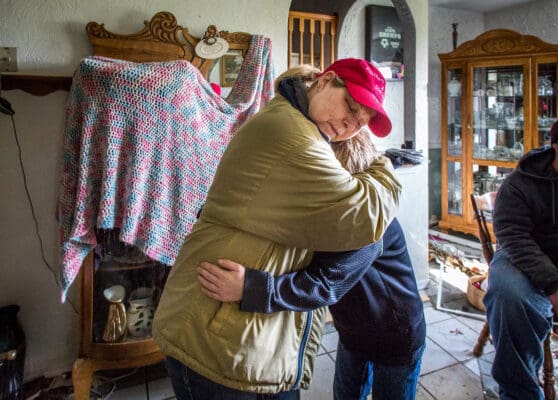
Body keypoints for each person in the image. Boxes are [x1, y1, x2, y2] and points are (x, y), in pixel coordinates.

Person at [152, 58, 402, 399]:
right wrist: (385, 166)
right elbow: (365, 219)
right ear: (326, 80)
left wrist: (258, 289)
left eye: (361, 122)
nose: (348, 124)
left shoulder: (311, 132)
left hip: (254, 340)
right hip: (215, 338)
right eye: (350, 106)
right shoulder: (292, 134)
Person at [197, 129, 426, 400]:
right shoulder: (334, 207)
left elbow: (322, 284)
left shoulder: (367, 222)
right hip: (354, 330)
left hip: (394, 334)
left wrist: (249, 287)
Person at [484, 111, 558, 400]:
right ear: (557, 144)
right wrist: (554, 286)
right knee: (510, 298)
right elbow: (513, 236)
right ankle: (518, 393)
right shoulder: (521, 183)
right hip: (524, 260)